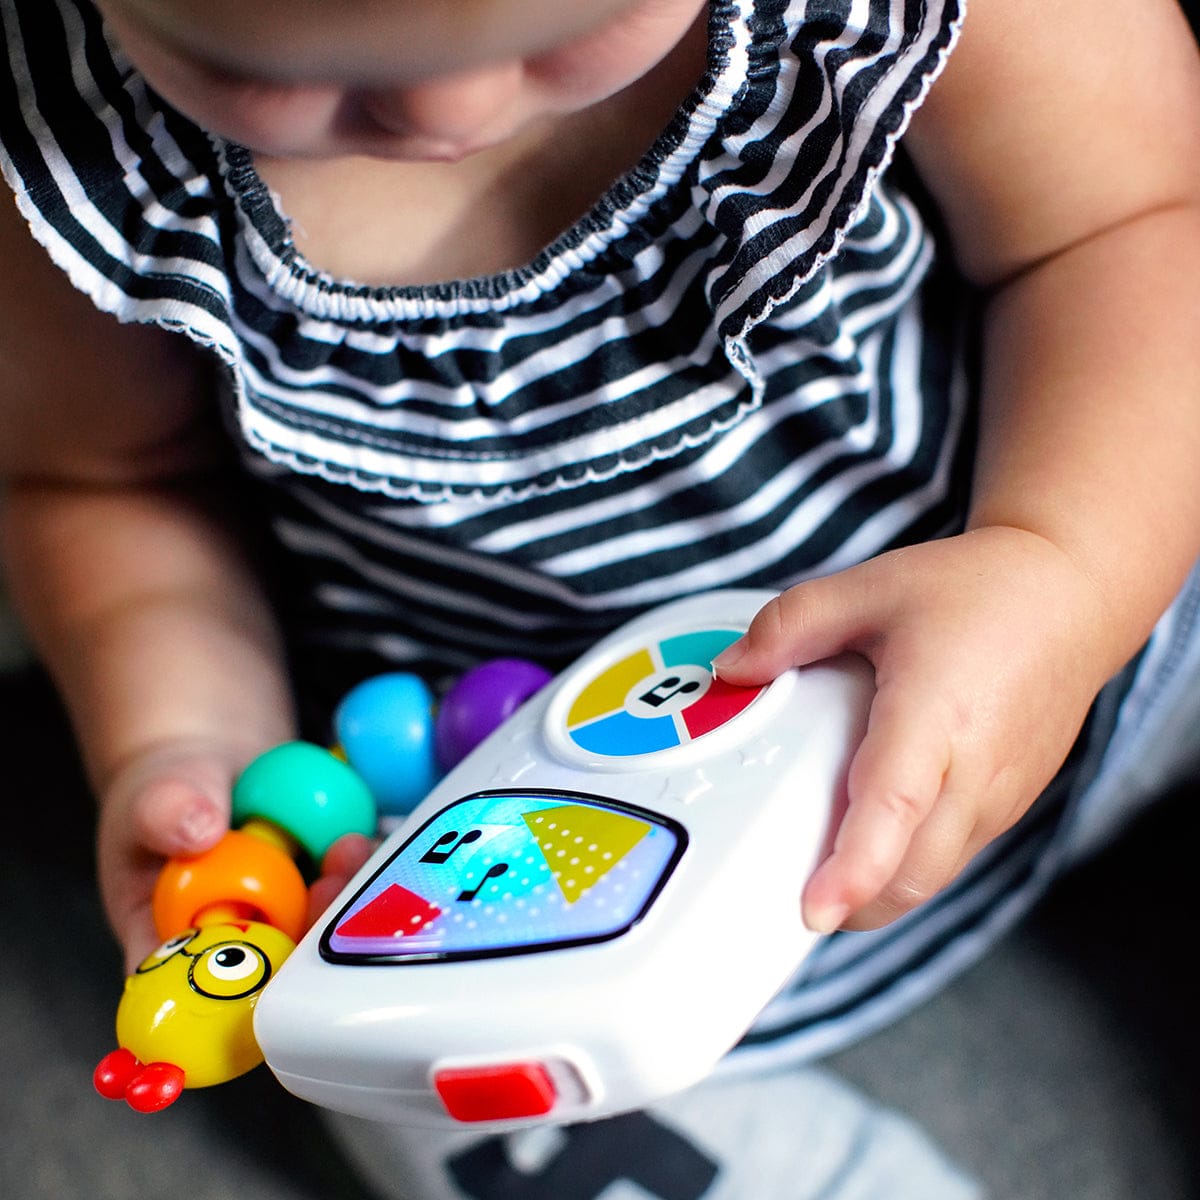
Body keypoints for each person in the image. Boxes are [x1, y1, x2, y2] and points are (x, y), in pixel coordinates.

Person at [3, 0, 1200, 1196]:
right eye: (266, 73)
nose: (447, 112)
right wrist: (182, 738)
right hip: (509, 840)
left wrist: (1064, 569)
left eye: (569, 27)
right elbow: (110, 480)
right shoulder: (80, 147)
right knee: (400, 1073)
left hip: (1073, 615)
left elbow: (1139, 222)